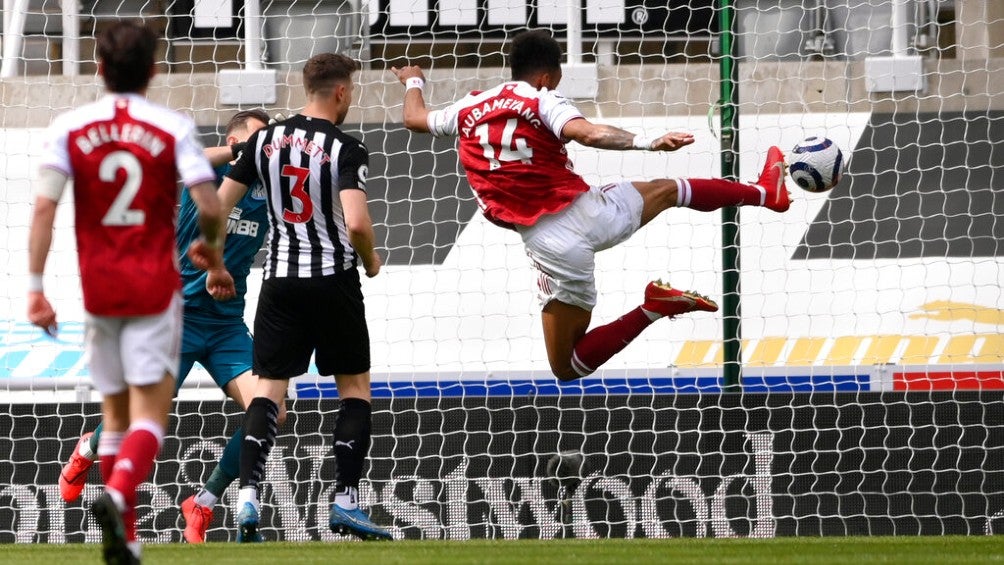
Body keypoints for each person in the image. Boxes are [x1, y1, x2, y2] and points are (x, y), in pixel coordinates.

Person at [391, 29, 790, 381]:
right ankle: (763, 193)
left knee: (566, 366)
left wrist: (413, 81)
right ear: (547, 77)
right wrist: (647, 142)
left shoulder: (467, 107)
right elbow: (589, 133)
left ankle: (653, 308)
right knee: (668, 190)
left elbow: (415, 118)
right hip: (590, 211)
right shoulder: (543, 100)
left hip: (552, 245)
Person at [26, 20, 228, 565]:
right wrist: (211, 248)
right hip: (154, 290)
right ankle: (117, 495)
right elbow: (209, 203)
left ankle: (128, 542)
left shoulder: (69, 126)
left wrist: (36, 289)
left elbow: (43, 208)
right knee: (149, 420)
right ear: (154, 70)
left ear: (98, 68)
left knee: (113, 419)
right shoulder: (171, 126)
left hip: (99, 292)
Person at [56, 109, 286, 544]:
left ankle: (204, 500)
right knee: (138, 418)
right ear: (234, 140)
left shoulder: (267, 189)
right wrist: (240, 151)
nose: (261, 146)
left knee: (272, 410)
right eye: (254, 138)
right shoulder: (209, 174)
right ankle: (87, 449)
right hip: (177, 319)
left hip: (226, 325)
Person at [213, 52, 390, 542]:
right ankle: (345, 503)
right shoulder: (346, 148)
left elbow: (219, 205)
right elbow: (357, 223)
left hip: (280, 282)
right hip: (333, 280)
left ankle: (248, 499)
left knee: (268, 391)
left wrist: (214, 260)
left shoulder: (263, 141)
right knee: (353, 390)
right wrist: (372, 260)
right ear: (341, 92)